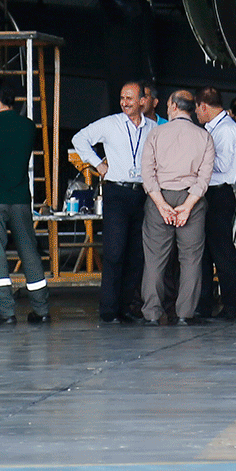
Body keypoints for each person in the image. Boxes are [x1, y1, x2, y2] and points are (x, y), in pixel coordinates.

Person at [71, 81, 157, 324]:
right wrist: (98, 164)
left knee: (136, 254)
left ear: (143, 101)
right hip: (117, 192)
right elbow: (80, 139)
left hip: (142, 193)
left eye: (130, 98)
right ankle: (109, 310)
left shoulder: (153, 128)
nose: (124, 102)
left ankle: (126, 307)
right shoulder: (110, 123)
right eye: (122, 98)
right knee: (114, 252)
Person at [0, 83, 51, 325]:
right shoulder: (28, 126)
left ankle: (5, 312)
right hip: (20, 198)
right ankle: (41, 309)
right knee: (29, 250)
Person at [139, 89, 216, 326]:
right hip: (191, 200)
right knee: (191, 259)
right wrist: (188, 205)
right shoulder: (204, 137)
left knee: (154, 260)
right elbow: (204, 177)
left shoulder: (155, 134)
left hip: (159, 198)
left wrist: (161, 204)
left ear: (173, 106)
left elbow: (147, 173)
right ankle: (185, 313)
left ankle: (152, 313)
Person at [195, 87, 236, 320]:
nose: (196, 113)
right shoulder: (213, 128)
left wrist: (195, 162)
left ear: (204, 106)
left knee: (222, 252)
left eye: (197, 109)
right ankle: (204, 303)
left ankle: (233, 305)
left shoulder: (224, 130)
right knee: (205, 252)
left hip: (218, 193)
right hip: (210, 193)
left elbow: (223, 165)